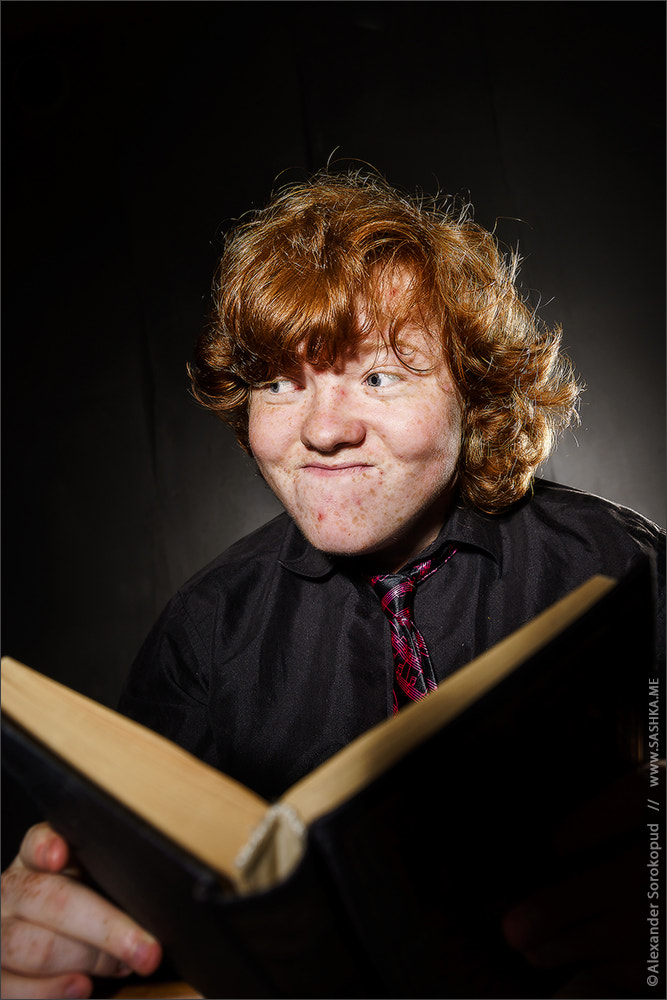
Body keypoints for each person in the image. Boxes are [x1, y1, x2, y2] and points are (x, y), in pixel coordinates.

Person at [2, 170, 664, 1000]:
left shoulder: (618, 566)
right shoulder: (204, 630)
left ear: (477, 390)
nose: (320, 429)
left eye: (380, 376)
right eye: (279, 382)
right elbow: (131, 911)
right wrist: (53, 932)